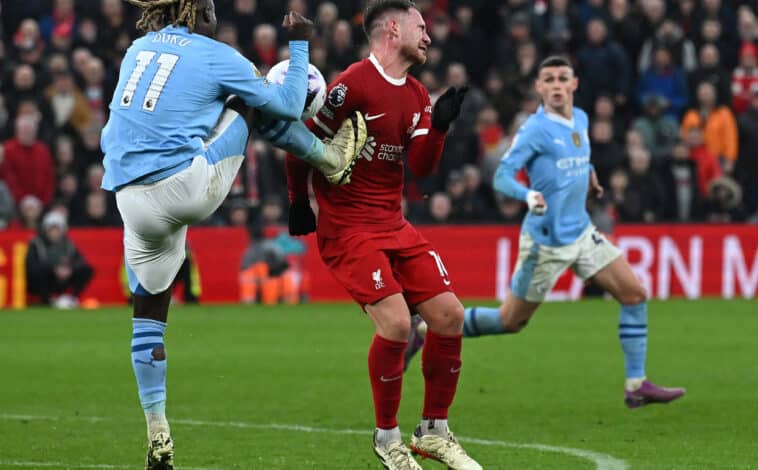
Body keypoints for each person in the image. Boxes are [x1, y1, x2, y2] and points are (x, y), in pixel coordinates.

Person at [101, 1, 366, 469]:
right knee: (251, 100)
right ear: (201, 14)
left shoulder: (136, 49)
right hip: (184, 187)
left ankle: (158, 431)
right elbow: (284, 103)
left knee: (148, 319)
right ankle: (330, 159)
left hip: (129, 199)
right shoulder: (215, 53)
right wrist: (300, 44)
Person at [405, 56, 685, 410]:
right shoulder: (535, 129)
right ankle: (424, 331)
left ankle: (636, 385)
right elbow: (502, 175)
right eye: (548, 79)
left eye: (561, 78)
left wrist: (592, 177)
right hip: (545, 243)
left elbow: (579, 156)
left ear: (573, 84)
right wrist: (527, 194)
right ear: (539, 87)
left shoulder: (580, 118)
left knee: (634, 294)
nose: (555, 84)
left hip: (582, 234)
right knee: (509, 321)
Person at [285, 1, 479, 469]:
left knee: (450, 315)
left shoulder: (415, 96)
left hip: (394, 224)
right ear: (393, 28)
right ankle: (387, 438)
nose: (428, 37)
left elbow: (420, 169)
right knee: (396, 323)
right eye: (421, 27)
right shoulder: (352, 83)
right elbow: (300, 144)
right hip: (349, 229)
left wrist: (441, 127)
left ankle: (433, 431)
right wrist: (299, 202)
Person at [25, 211, 94, 308]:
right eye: (51, 229)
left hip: (63, 278)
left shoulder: (68, 244)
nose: (54, 233)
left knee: (87, 270)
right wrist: (53, 269)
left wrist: (70, 269)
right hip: (44, 280)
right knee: (38, 272)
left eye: (57, 229)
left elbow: (80, 261)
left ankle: (72, 298)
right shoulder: (36, 243)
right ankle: (46, 300)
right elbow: (31, 265)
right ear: (45, 230)